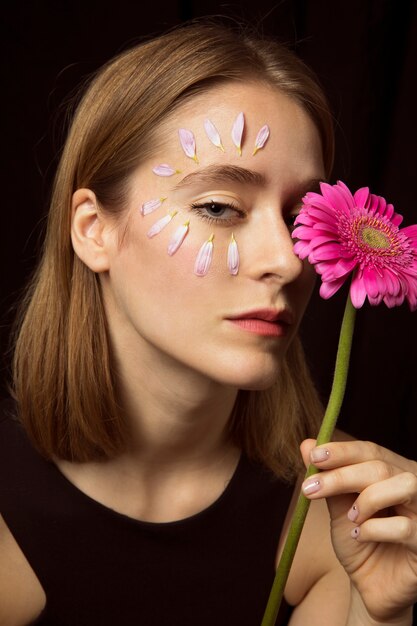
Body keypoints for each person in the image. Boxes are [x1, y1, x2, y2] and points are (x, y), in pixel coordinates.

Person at [1, 21, 416, 626]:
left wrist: (386, 613)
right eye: (218, 207)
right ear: (94, 230)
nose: (286, 258)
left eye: (300, 215)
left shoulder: (346, 516)